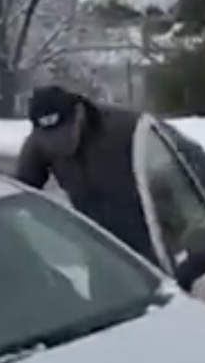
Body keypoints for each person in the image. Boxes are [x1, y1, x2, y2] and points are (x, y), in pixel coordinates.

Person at [11, 85, 153, 258]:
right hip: (96, 241)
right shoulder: (38, 144)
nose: (60, 144)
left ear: (79, 113)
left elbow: (167, 171)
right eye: (51, 138)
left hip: (147, 237)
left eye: (65, 134)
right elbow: (21, 190)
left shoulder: (125, 128)